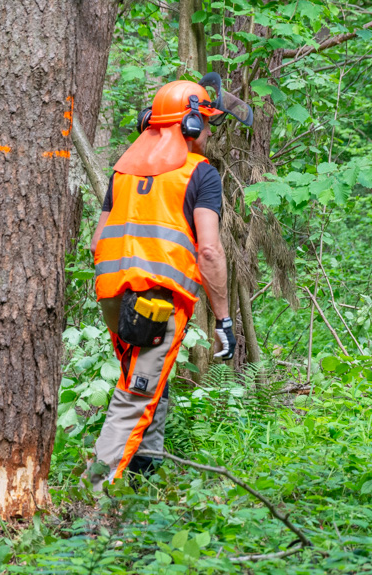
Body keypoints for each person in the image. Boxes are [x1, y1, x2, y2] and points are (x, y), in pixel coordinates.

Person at [87, 74, 252, 490]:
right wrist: (223, 320)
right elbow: (210, 251)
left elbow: (97, 240)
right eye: (208, 124)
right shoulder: (200, 174)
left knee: (147, 380)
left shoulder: (123, 171)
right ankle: (93, 490)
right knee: (138, 393)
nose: (210, 132)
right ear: (190, 126)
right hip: (156, 301)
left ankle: (146, 473)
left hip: (113, 294)